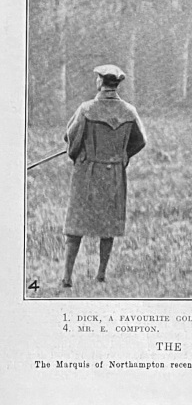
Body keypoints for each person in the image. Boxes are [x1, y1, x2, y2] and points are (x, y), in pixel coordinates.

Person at [61, 65, 146, 288]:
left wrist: (78, 156)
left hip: (87, 172)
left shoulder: (86, 108)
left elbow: (71, 139)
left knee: (76, 225)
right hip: (114, 174)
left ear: (100, 82)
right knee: (108, 225)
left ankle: (67, 277)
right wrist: (123, 156)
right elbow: (140, 141)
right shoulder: (130, 111)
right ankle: (100, 274)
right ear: (117, 84)